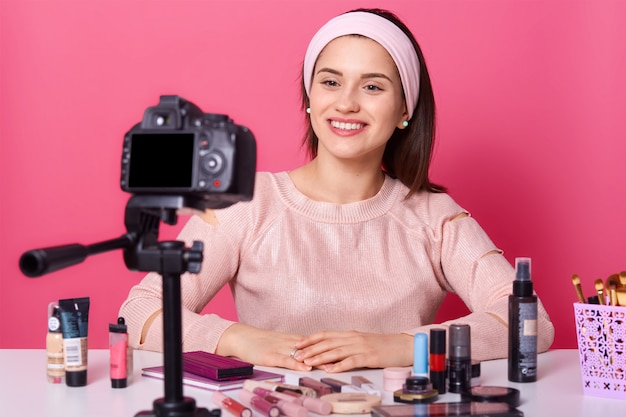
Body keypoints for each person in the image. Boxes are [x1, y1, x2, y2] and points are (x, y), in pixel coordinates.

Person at [119, 8, 554, 373]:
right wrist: (236, 339)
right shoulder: (248, 204)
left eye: (372, 86)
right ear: (309, 98)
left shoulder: (433, 216)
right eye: (330, 82)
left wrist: (400, 346)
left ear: (405, 108)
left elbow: (531, 323)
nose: (346, 102)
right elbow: (138, 312)